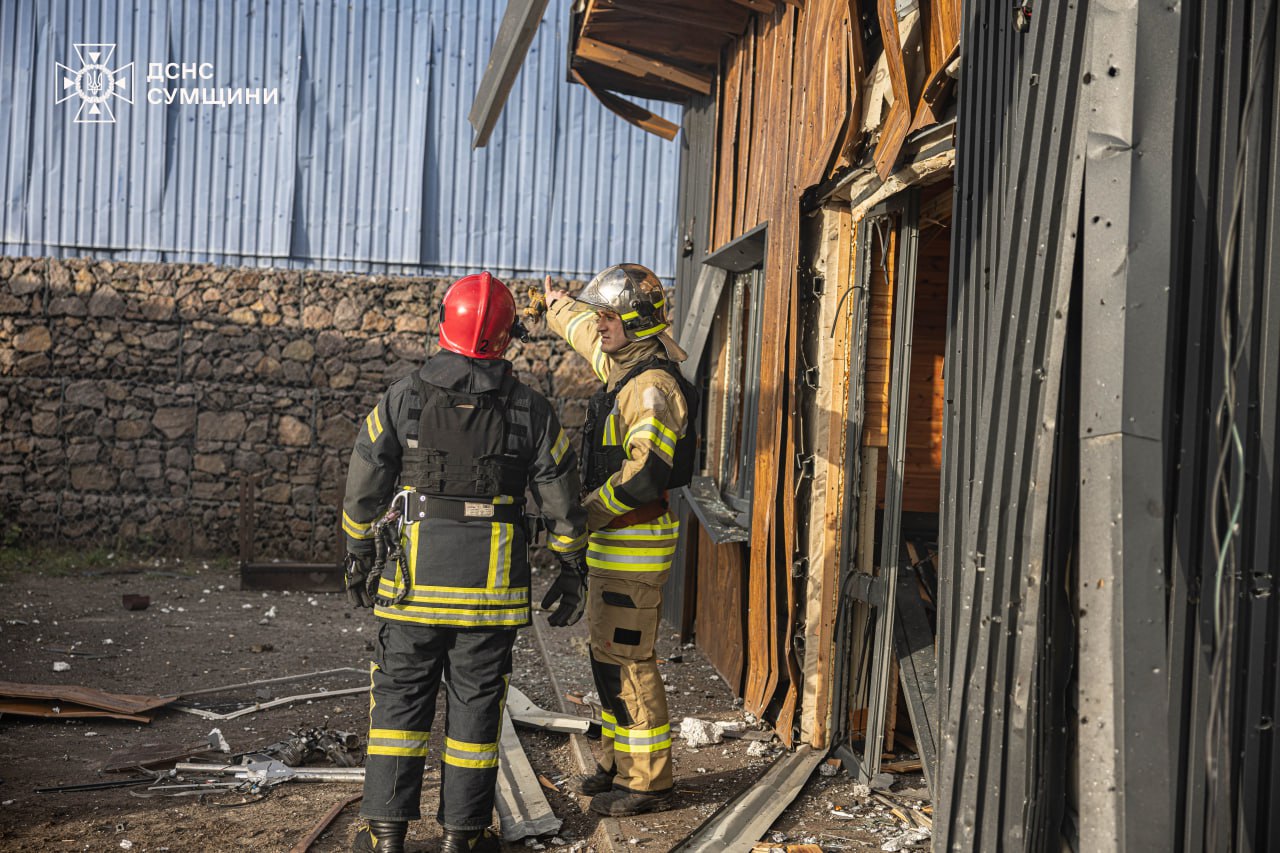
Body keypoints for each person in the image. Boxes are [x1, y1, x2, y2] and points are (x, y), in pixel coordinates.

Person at [341, 271, 589, 853]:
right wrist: (571, 566)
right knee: (477, 713)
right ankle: (464, 837)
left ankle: (386, 836)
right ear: (506, 340)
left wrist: (356, 552)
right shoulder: (531, 409)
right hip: (491, 595)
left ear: (444, 325)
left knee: (399, 704)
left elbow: (363, 483)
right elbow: (560, 495)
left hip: (413, 591)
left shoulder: (403, 395)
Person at [541, 263, 699, 817]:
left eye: (610, 316)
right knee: (607, 658)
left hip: (633, 544)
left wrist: (583, 515)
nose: (600, 325)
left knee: (630, 663)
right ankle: (617, 761)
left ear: (634, 323)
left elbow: (646, 475)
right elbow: (584, 330)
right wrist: (553, 306)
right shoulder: (619, 361)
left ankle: (649, 781)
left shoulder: (651, 387)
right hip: (614, 547)